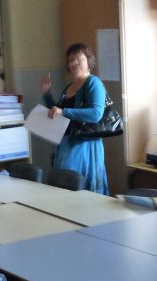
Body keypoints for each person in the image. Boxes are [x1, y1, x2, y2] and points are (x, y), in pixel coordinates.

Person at [41, 43, 109, 195]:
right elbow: (58, 112)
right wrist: (47, 94)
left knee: (76, 189)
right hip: (66, 143)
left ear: (88, 61)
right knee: (63, 188)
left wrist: (64, 111)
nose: (74, 63)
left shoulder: (93, 82)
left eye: (79, 59)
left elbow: (96, 114)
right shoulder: (69, 87)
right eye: (71, 60)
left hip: (84, 145)